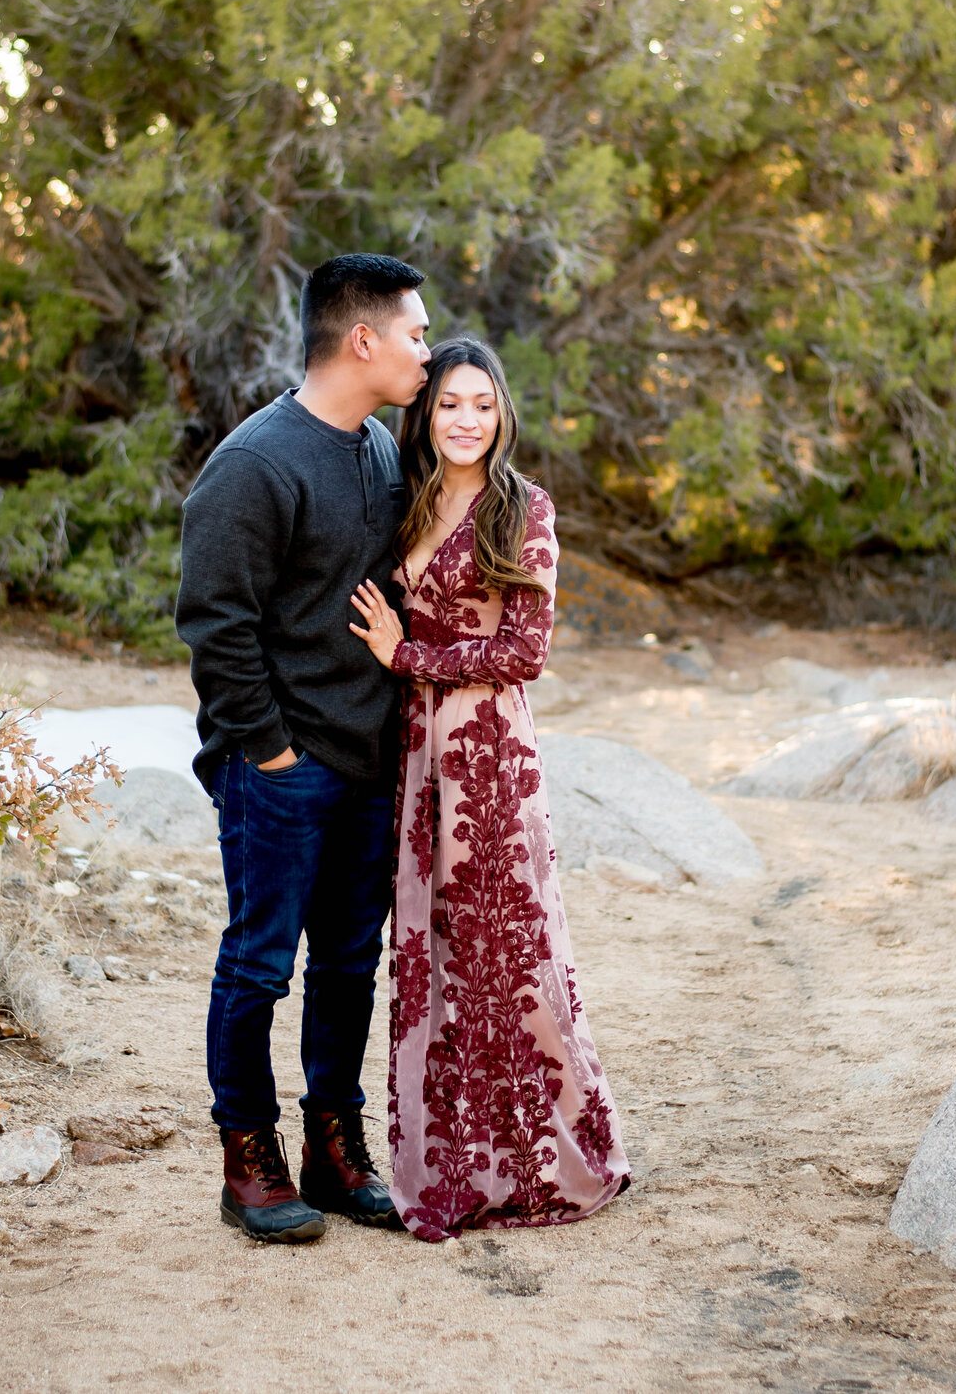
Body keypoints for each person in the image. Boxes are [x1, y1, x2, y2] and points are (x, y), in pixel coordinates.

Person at [346, 337, 631, 1242]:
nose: (466, 420)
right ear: (423, 418)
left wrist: (408, 656)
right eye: (447, 405)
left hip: (491, 756)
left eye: (481, 403)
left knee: (507, 950)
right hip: (417, 757)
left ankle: (551, 1160)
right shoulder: (407, 501)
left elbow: (524, 653)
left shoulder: (524, 509)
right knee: (437, 951)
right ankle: (454, 1167)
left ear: (502, 413)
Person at [175, 253, 432, 1243]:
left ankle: (334, 1147)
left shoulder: (374, 448)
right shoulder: (254, 463)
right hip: (280, 768)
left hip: (367, 763)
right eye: (414, 331)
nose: (424, 347)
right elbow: (216, 624)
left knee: (350, 965)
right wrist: (272, 753)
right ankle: (249, 1157)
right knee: (259, 965)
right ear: (360, 339)